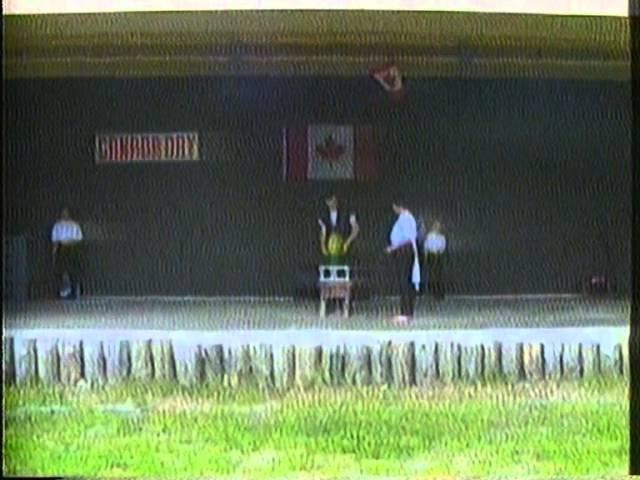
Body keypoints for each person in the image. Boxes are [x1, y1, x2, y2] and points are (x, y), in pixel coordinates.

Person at [317, 194, 359, 314]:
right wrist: (323, 246)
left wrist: (347, 242)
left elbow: (355, 228)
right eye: (329, 201)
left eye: (333, 201)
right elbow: (323, 232)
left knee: (345, 276)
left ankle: (345, 304)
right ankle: (330, 304)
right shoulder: (323, 215)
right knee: (330, 276)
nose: (331, 203)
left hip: (345, 247)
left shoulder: (348, 211)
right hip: (331, 248)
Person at [385, 198, 420, 324]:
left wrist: (393, 248)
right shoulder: (407, 217)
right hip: (404, 250)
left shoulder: (405, 218)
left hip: (404, 251)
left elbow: (406, 238)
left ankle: (406, 312)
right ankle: (406, 311)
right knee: (405, 281)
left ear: (396, 206)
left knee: (404, 281)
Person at [51, 208, 84, 299]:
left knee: (73, 271)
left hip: (73, 248)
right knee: (61, 271)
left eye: (66, 213)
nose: (65, 215)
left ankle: (74, 292)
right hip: (61, 247)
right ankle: (62, 291)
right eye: (63, 213)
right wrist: (54, 253)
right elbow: (55, 240)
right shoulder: (57, 225)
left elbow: (79, 239)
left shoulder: (75, 225)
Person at [424, 220, 447, 300]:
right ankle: (434, 293)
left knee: (439, 275)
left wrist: (439, 252)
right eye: (435, 226)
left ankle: (440, 294)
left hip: (439, 256)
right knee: (432, 275)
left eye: (438, 226)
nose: (437, 227)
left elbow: (443, 247)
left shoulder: (442, 237)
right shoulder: (429, 236)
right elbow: (426, 246)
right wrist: (427, 257)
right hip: (431, 256)